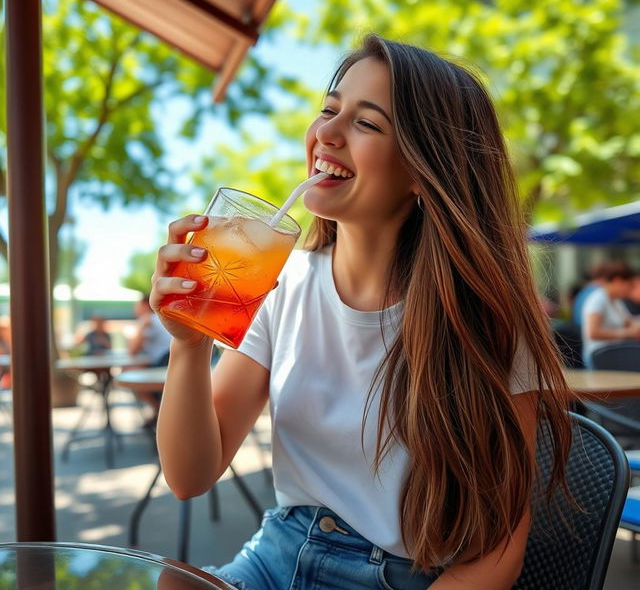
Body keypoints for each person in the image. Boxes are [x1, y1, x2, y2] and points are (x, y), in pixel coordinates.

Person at [150, 35, 573, 590]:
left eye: (367, 124)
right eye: (329, 109)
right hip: (276, 555)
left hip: (396, 578)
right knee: (172, 584)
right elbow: (188, 477)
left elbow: (495, 556)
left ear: (425, 170)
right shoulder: (283, 286)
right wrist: (189, 345)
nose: (325, 132)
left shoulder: (485, 318)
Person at [581, 262, 640, 368]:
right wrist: (627, 333)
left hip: (615, 349)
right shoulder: (598, 299)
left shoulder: (616, 301)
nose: (630, 289)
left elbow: (629, 322)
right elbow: (592, 333)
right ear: (618, 281)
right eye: (630, 285)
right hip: (600, 352)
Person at [128, 294, 172, 424]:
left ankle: (160, 412)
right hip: (168, 361)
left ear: (145, 306)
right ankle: (159, 411)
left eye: (137, 305)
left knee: (130, 374)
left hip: (164, 362)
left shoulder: (149, 320)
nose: (134, 309)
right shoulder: (160, 318)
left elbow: (132, 351)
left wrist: (140, 327)